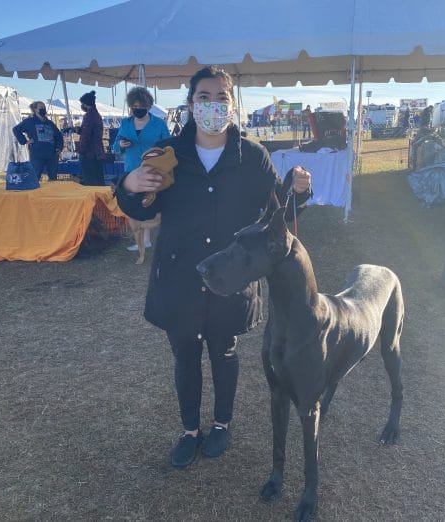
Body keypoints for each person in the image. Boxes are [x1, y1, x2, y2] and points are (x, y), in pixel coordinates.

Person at [115, 66, 312, 468]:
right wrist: (129, 186)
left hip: (231, 276)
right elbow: (139, 204)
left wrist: (297, 190)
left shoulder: (252, 156)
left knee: (224, 352)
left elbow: (277, 208)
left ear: (233, 105)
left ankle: (222, 424)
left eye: (222, 98)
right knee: (184, 356)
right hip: (179, 275)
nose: (213, 105)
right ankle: (190, 430)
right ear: (190, 105)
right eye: (204, 97)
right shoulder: (169, 154)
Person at [112, 86, 171, 251]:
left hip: (153, 168)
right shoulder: (125, 123)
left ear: (148, 106)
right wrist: (121, 145)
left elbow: (169, 145)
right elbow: (115, 145)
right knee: (134, 203)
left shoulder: (158, 124)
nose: (137, 110)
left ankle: (148, 238)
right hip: (131, 170)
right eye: (134, 107)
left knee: (150, 203)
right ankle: (142, 240)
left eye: (141, 107)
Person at [12, 101, 63, 181]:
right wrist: (25, 141)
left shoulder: (50, 123)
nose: (43, 109)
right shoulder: (29, 121)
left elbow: (59, 136)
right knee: (35, 177)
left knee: (53, 178)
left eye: (44, 107)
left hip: (52, 155)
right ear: (35, 109)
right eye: (41, 108)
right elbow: (16, 129)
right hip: (37, 155)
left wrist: (59, 148)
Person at [77, 90, 106, 186]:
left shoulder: (89, 116)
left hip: (89, 154)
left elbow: (86, 136)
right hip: (98, 153)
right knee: (99, 180)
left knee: (90, 182)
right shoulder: (97, 115)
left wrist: (81, 151)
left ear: (85, 104)